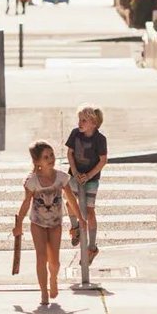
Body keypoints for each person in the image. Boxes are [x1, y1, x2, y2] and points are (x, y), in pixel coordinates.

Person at [14, 141, 84, 306]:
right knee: (41, 257)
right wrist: (19, 224)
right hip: (37, 224)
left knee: (55, 261)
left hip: (55, 224)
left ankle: (53, 277)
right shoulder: (32, 181)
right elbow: (26, 203)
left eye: (51, 155)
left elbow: (71, 199)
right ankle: (43, 291)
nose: (51, 159)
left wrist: (80, 218)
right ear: (37, 162)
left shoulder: (61, 178)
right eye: (46, 157)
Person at [65, 105, 109, 261]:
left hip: (91, 179)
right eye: (79, 119)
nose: (80, 123)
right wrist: (75, 172)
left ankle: (92, 247)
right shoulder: (75, 134)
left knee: (90, 211)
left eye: (84, 120)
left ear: (94, 123)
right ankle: (75, 227)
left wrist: (89, 175)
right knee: (70, 203)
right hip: (75, 175)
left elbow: (103, 161)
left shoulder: (100, 139)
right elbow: (69, 153)